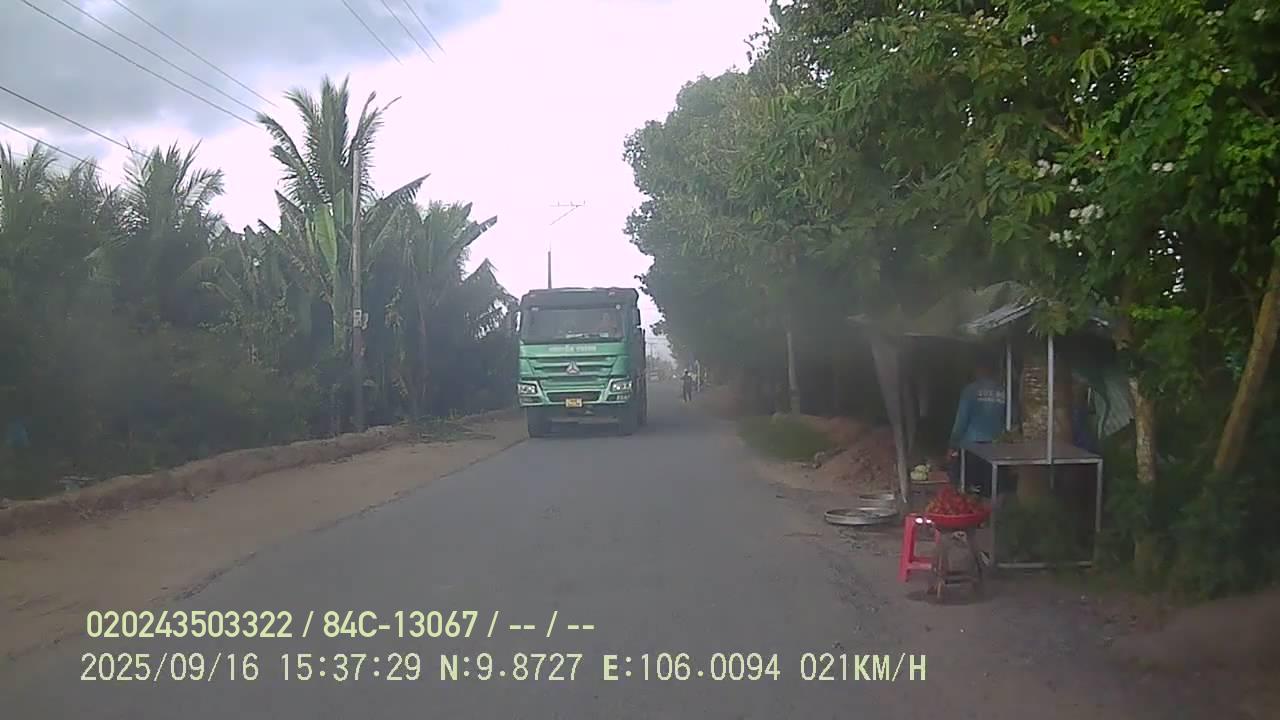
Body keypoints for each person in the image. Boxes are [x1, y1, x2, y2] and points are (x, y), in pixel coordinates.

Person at [947, 358, 1007, 493]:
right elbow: (1011, 418)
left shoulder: (970, 390)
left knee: (972, 488)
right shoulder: (1003, 391)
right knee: (991, 487)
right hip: (997, 446)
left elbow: (961, 420)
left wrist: (952, 444)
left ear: (979, 369)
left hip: (972, 447)